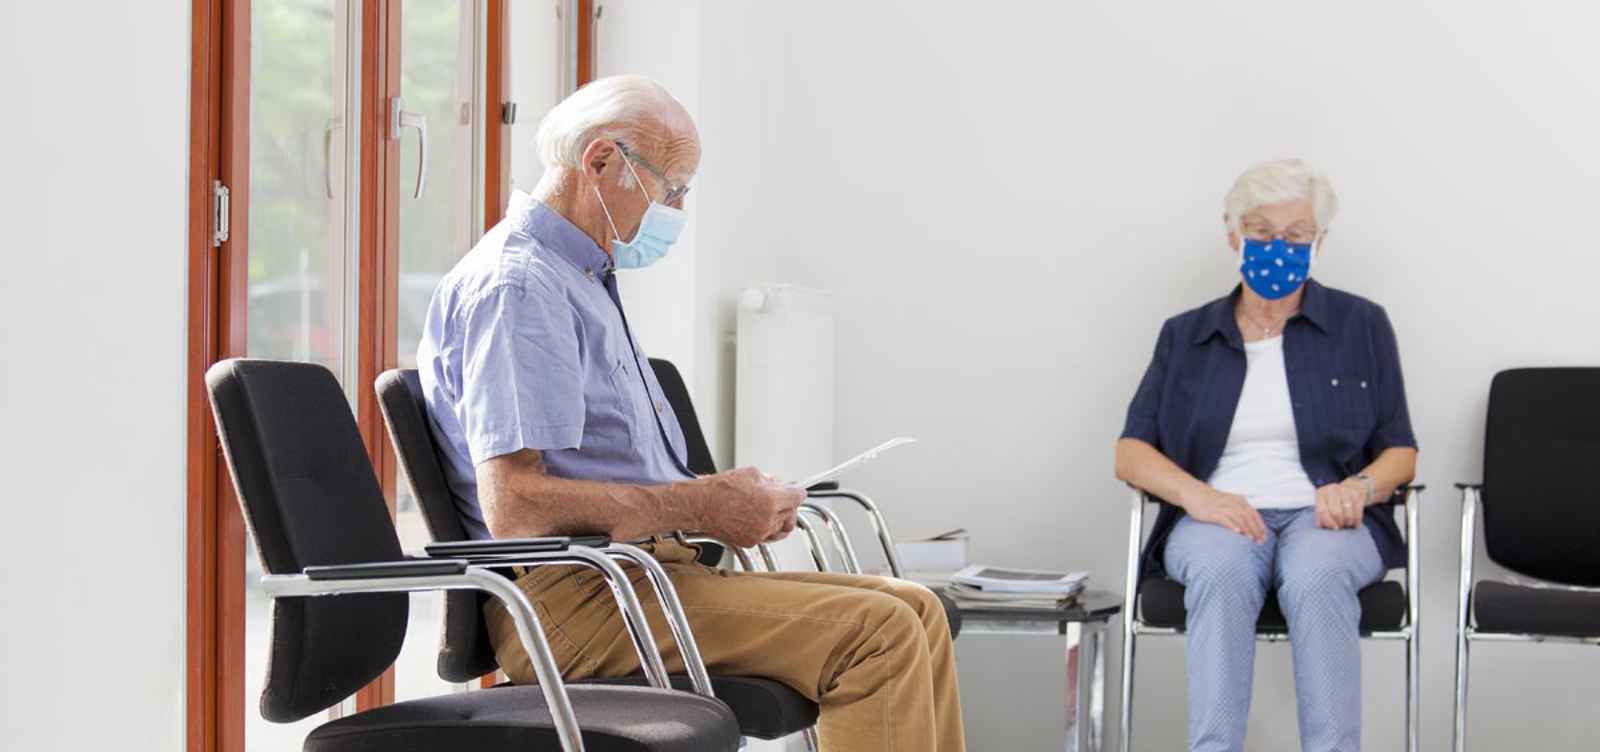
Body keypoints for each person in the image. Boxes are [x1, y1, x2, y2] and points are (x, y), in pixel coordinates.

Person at [417, 74, 965, 752]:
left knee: (914, 610)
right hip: (578, 602)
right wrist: (701, 507)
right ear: (599, 161)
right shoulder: (520, 287)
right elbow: (515, 507)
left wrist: (724, 501)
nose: (676, 208)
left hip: (638, 577)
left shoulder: (580, 280)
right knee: (876, 634)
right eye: (671, 187)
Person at [1114, 159, 1418, 751]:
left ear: (1318, 242)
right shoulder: (1187, 335)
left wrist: (1356, 488)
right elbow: (1131, 452)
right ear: (1233, 235)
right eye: (1260, 231)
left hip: (1326, 515)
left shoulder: (1361, 325)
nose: (1277, 247)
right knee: (1222, 571)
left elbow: (1401, 453)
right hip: (1218, 515)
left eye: (1296, 235)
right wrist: (1198, 497)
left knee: (1318, 571)